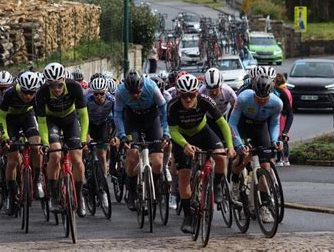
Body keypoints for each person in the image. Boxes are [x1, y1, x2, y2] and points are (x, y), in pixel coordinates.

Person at [167, 74, 234, 233]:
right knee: (184, 174)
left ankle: (217, 185)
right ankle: (188, 216)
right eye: (184, 96)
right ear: (178, 94)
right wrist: (184, 145)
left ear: (197, 93)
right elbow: (172, 131)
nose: (188, 99)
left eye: (191, 95)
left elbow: (223, 124)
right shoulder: (173, 106)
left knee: (220, 156)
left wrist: (230, 146)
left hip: (202, 132)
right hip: (182, 138)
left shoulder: (206, 101)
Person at [35, 63, 89, 216]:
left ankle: (79, 196)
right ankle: (53, 195)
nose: (56, 89)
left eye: (59, 85)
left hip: (70, 120)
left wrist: (83, 139)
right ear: (47, 83)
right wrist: (45, 143)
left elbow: (83, 116)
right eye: (52, 85)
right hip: (52, 121)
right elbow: (42, 122)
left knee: (77, 158)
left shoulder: (74, 87)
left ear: (64, 80)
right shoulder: (42, 93)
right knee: (55, 155)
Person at [229, 74, 283, 223]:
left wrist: (275, 140)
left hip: (261, 129)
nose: (260, 101)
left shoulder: (277, 103)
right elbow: (232, 123)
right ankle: (234, 180)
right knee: (242, 159)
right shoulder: (244, 98)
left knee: (265, 168)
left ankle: (264, 206)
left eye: (264, 99)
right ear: (254, 91)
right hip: (243, 126)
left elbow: (274, 124)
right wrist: (238, 143)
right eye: (258, 98)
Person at [114, 69, 170, 211]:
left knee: (157, 162)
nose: (136, 96)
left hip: (152, 119)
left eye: (138, 92)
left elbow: (164, 109)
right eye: (132, 93)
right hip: (132, 121)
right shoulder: (120, 92)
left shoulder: (151, 87)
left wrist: (166, 133)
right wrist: (122, 135)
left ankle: (155, 187)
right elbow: (118, 115)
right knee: (132, 155)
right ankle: (132, 192)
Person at [0, 71, 42, 216]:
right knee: (12, 160)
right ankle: (11, 194)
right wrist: (4, 136)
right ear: (20, 88)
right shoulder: (10, 93)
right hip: (11, 120)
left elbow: (41, 118)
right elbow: (1, 116)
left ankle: (36, 180)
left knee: (36, 146)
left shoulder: (38, 95)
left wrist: (44, 137)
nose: (28, 96)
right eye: (25, 92)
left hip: (27, 117)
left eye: (31, 93)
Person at [274, 73, 293, 166]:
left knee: (278, 137)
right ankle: (286, 158)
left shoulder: (280, 92)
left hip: (280, 116)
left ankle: (280, 158)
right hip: (285, 116)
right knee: (284, 137)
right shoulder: (287, 90)